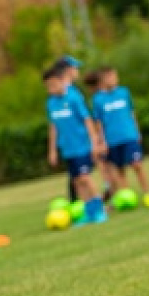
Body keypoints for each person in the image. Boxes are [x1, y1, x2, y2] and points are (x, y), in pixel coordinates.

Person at [43, 63, 108, 223]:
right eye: (47, 86)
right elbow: (53, 127)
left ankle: (99, 210)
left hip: (82, 146)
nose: (50, 89)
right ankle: (88, 212)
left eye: (53, 84)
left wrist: (94, 143)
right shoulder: (51, 103)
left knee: (85, 178)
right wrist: (52, 150)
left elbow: (87, 120)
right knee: (77, 182)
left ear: (62, 81)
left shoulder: (74, 97)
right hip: (68, 149)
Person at [88, 65, 149, 206]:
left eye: (115, 76)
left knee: (137, 164)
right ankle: (128, 197)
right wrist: (101, 141)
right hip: (112, 140)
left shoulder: (124, 92)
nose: (114, 79)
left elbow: (131, 113)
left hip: (129, 136)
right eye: (110, 77)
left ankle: (147, 192)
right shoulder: (98, 100)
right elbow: (99, 123)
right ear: (102, 80)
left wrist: (137, 131)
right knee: (120, 170)